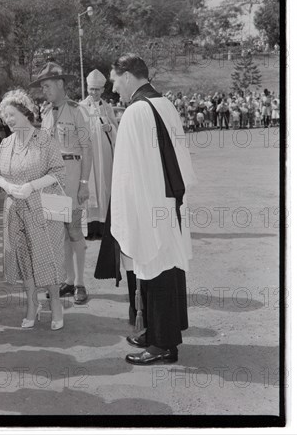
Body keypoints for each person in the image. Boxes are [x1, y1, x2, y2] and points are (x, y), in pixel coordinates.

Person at [109, 54, 196, 365]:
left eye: (115, 80)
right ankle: (158, 334)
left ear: (129, 75)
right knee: (167, 267)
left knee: (156, 269)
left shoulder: (136, 112)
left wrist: (123, 212)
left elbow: (126, 173)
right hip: (169, 203)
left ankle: (162, 346)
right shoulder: (165, 104)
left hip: (149, 206)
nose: (114, 88)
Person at [0, 89, 66, 330]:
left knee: (47, 257)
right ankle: (33, 305)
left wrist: (31, 186)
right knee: (24, 260)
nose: (8, 120)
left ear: (25, 113)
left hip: (43, 208)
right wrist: (5, 184)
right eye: (5, 116)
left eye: (12, 114)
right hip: (15, 210)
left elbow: (58, 172)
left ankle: (56, 304)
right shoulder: (5, 143)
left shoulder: (45, 140)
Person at [31, 61, 92, 305]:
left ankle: (80, 283)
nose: (43, 90)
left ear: (59, 84)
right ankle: (67, 280)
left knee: (75, 230)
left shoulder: (77, 111)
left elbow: (87, 148)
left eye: (46, 86)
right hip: (52, 179)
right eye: (42, 87)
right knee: (60, 232)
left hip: (72, 174)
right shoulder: (45, 113)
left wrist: (84, 182)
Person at [79, 69, 118, 240]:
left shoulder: (107, 107)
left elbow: (116, 128)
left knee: (103, 185)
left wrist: (109, 127)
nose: (94, 92)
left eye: (97, 89)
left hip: (104, 155)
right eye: (91, 89)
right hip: (87, 155)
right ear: (87, 88)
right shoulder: (80, 107)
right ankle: (89, 226)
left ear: (103, 90)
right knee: (88, 186)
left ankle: (103, 225)